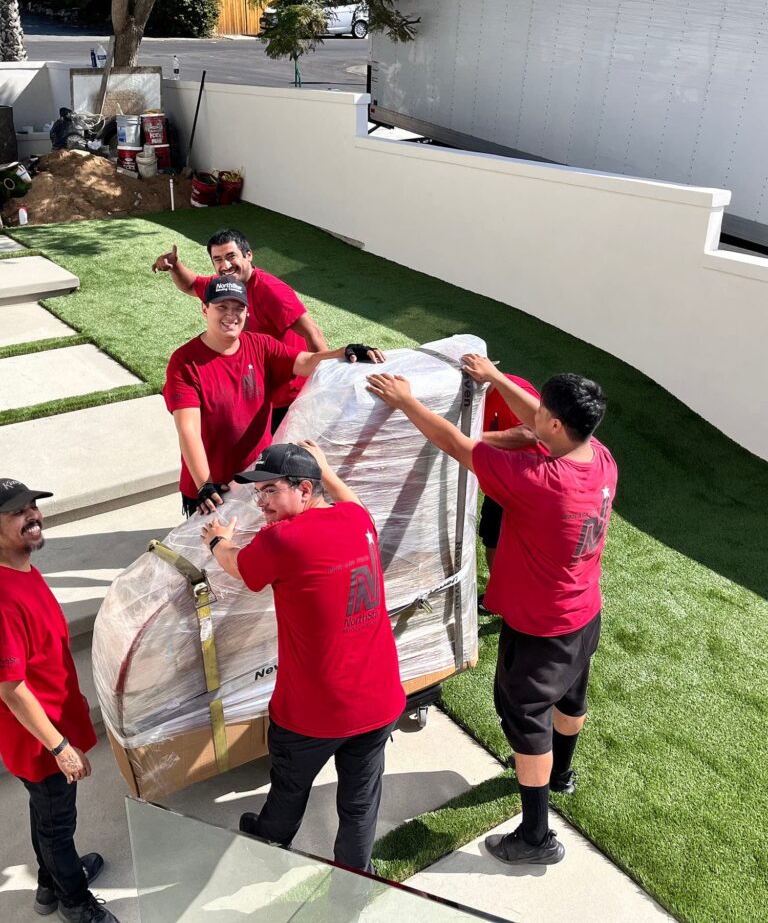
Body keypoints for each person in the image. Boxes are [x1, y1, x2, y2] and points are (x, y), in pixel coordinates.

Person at [366, 358, 616, 866]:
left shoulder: (538, 481)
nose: (536, 415)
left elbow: (460, 446)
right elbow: (545, 427)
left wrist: (406, 402)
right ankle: (563, 774)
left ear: (553, 426)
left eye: (543, 412)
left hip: (540, 628)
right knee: (570, 698)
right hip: (583, 615)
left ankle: (536, 836)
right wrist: (497, 380)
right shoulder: (601, 459)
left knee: (526, 718)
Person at [200, 442, 406, 873]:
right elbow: (349, 500)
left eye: (271, 491)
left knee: (290, 785)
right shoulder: (357, 519)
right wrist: (330, 469)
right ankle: (355, 878)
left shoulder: (283, 539)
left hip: (314, 710)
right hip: (378, 699)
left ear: (305, 489)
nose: (262, 503)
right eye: (259, 493)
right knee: (360, 801)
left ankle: (272, 837)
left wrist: (218, 541)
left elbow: (239, 566)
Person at [0, 479, 118, 923]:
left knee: (47, 815)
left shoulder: (21, 571)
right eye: (17, 513)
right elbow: (11, 689)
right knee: (57, 825)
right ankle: (75, 902)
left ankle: (50, 885)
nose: (32, 516)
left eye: (32, 507)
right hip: (37, 738)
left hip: (51, 722)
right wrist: (59, 747)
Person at [164, 275, 384, 517]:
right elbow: (189, 429)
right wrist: (205, 484)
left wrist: (343, 352)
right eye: (221, 307)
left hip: (257, 480)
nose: (231, 315)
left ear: (247, 313)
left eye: (238, 308)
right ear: (205, 309)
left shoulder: (261, 345)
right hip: (211, 486)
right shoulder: (184, 362)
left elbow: (305, 361)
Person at [152, 228, 328, 431]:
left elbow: (313, 333)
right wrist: (175, 266)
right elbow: (191, 285)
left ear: (249, 255)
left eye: (230, 256)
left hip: (288, 400)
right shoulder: (224, 287)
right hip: (257, 394)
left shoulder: (271, 291)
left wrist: (323, 390)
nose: (225, 265)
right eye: (217, 259)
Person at [477, 373, 543, 608]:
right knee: (492, 538)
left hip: (532, 484)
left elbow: (532, 432)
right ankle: (499, 596)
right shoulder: (470, 397)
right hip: (501, 483)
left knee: (528, 551)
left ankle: (528, 602)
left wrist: (473, 436)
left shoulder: (515, 388)